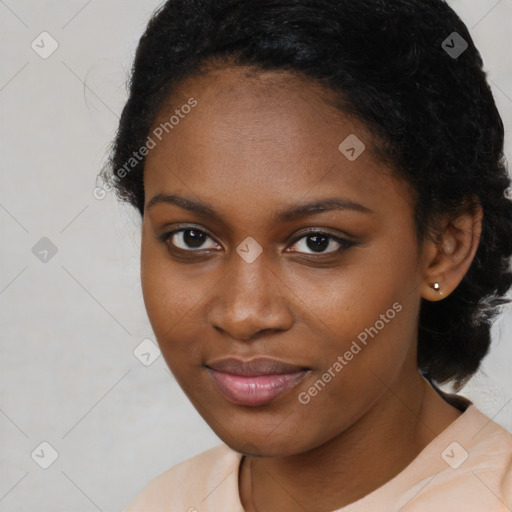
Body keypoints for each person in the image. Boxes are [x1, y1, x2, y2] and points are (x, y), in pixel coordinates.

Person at [102, 0, 512, 510]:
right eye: (191, 238)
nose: (243, 314)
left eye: (317, 242)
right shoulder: (167, 501)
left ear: (445, 247)